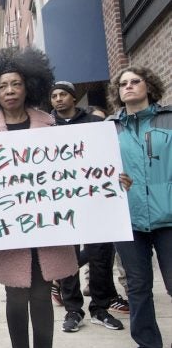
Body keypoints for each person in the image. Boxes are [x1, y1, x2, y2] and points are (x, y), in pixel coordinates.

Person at [0, 47, 77, 348]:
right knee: (16, 297)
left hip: (45, 228)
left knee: (43, 297)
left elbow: (70, 171)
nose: (10, 91)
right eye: (3, 86)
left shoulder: (48, 123)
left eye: (16, 84)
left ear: (28, 86)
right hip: (8, 229)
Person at [107, 66, 171, 348]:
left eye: (135, 81)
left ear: (149, 86)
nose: (129, 87)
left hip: (169, 216)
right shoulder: (107, 129)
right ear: (117, 91)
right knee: (138, 287)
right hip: (127, 219)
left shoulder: (169, 119)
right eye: (123, 84)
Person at [49, 81, 127, 333]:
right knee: (66, 256)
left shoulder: (94, 123)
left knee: (100, 254)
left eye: (63, 94)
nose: (58, 99)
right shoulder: (46, 128)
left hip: (94, 199)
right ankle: (73, 310)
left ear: (73, 98)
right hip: (62, 200)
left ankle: (100, 308)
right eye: (54, 96)